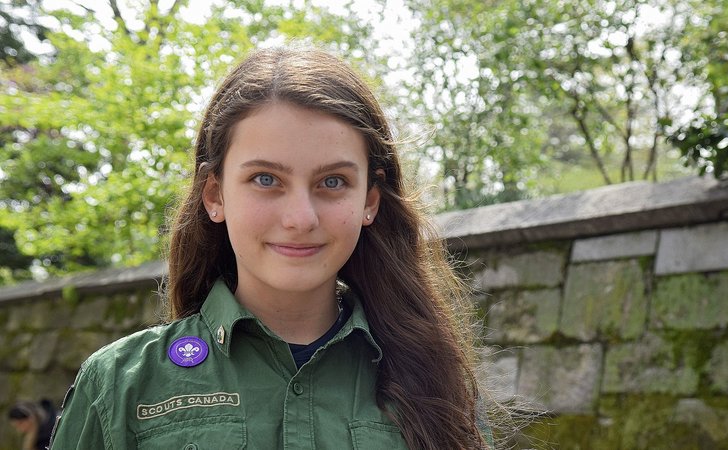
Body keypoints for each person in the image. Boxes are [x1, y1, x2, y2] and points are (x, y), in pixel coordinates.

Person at [49, 46, 491, 449]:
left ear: (369, 202)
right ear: (215, 195)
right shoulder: (119, 386)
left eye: (332, 182)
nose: (301, 218)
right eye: (266, 179)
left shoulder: (439, 388)